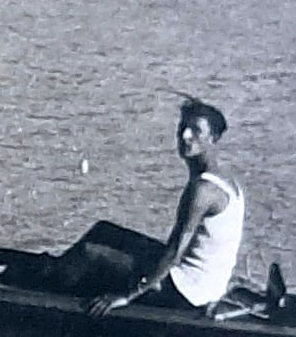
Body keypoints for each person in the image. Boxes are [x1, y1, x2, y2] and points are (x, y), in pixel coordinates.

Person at [85, 97, 245, 315]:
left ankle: (45, 287)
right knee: (104, 231)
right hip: (210, 284)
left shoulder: (202, 190)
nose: (185, 136)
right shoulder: (228, 180)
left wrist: (128, 296)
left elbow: (173, 253)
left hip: (188, 293)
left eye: (196, 131)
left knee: (91, 253)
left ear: (213, 138)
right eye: (183, 128)